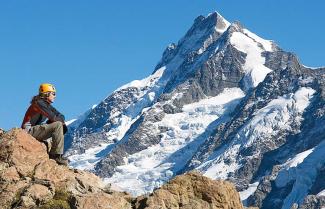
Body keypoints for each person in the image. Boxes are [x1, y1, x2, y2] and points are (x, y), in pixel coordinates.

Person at [21, 83, 68, 166]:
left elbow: (61, 116)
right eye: (53, 94)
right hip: (28, 132)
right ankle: (55, 155)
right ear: (46, 94)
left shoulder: (46, 105)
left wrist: (58, 120)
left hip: (35, 130)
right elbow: (54, 117)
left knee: (58, 125)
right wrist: (57, 121)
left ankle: (54, 154)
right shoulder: (38, 103)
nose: (55, 96)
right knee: (57, 125)